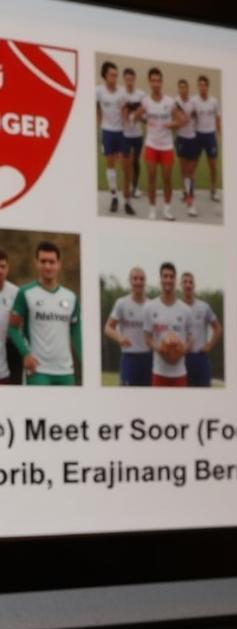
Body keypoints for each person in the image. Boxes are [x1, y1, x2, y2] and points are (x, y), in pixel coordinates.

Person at [8, 241, 81, 386]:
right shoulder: (25, 293)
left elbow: (76, 332)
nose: (47, 266)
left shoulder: (71, 297)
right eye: (43, 261)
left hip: (65, 372)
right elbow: (12, 328)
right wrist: (25, 353)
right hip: (38, 371)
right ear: (37, 263)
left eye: (52, 262)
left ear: (59, 264)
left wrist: (84, 361)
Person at [133, 67, 185, 221]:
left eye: (158, 80)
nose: (156, 83)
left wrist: (171, 125)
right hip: (151, 145)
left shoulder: (170, 101)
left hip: (167, 146)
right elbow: (137, 115)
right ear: (149, 82)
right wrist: (143, 119)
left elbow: (180, 121)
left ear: (161, 82)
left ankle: (167, 209)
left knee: (167, 178)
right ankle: (152, 209)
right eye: (153, 80)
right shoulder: (146, 101)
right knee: (151, 178)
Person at [95, 61, 135, 216]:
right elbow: (96, 106)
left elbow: (125, 111)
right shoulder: (98, 91)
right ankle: (114, 198)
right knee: (110, 165)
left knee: (126, 167)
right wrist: (100, 124)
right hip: (107, 133)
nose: (115, 77)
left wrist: (127, 126)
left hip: (121, 133)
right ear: (105, 75)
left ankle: (128, 201)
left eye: (116, 75)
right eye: (112, 75)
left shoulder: (122, 92)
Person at [143, 261, 190, 387]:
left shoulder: (185, 310)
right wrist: (161, 348)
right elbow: (147, 338)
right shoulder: (150, 307)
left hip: (179, 374)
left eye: (171, 276)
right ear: (161, 279)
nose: (168, 279)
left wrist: (181, 350)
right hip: (159, 373)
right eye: (165, 276)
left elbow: (191, 339)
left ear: (175, 280)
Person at [104, 266, 152, 386]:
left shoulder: (152, 306)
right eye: (135, 279)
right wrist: (119, 338)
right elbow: (108, 328)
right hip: (129, 357)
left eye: (141, 279)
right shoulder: (122, 303)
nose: (138, 282)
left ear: (145, 282)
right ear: (130, 281)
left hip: (148, 357)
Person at [180, 270, 221, 386]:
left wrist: (209, 345)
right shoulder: (176, 307)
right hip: (182, 359)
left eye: (190, 282)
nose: (188, 285)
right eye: (185, 282)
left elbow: (217, 328)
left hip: (200, 358)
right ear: (181, 285)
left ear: (194, 285)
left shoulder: (204, 307)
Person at [193, 74, 221, 203]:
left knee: (213, 166)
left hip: (210, 136)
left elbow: (217, 117)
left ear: (207, 87)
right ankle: (190, 190)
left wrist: (218, 133)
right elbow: (190, 116)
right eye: (200, 85)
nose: (202, 87)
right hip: (198, 136)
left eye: (204, 85)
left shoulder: (214, 101)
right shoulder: (194, 101)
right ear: (198, 86)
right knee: (193, 165)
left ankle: (213, 191)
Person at [174, 78, 199, 218]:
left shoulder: (193, 102)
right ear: (178, 89)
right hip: (181, 139)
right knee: (184, 171)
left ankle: (191, 202)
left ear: (188, 89)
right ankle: (187, 194)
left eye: (185, 87)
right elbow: (176, 119)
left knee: (190, 172)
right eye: (180, 87)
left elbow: (197, 116)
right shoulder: (176, 102)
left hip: (193, 139)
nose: (183, 90)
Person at [121, 67, 146, 201]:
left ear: (134, 79)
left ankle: (135, 187)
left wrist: (136, 115)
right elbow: (119, 112)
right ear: (124, 80)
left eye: (131, 79)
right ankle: (127, 186)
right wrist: (126, 113)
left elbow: (144, 116)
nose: (129, 82)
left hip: (137, 135)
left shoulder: (141, 94)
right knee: (126, 163)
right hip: (125, 135)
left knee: (135, 161)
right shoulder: (121, 94)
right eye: (127, 79)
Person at [0, 248, 18, 385]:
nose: (0, 270)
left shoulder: (16, 293)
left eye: (2, 266)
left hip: (8, 360)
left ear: (8, 268)